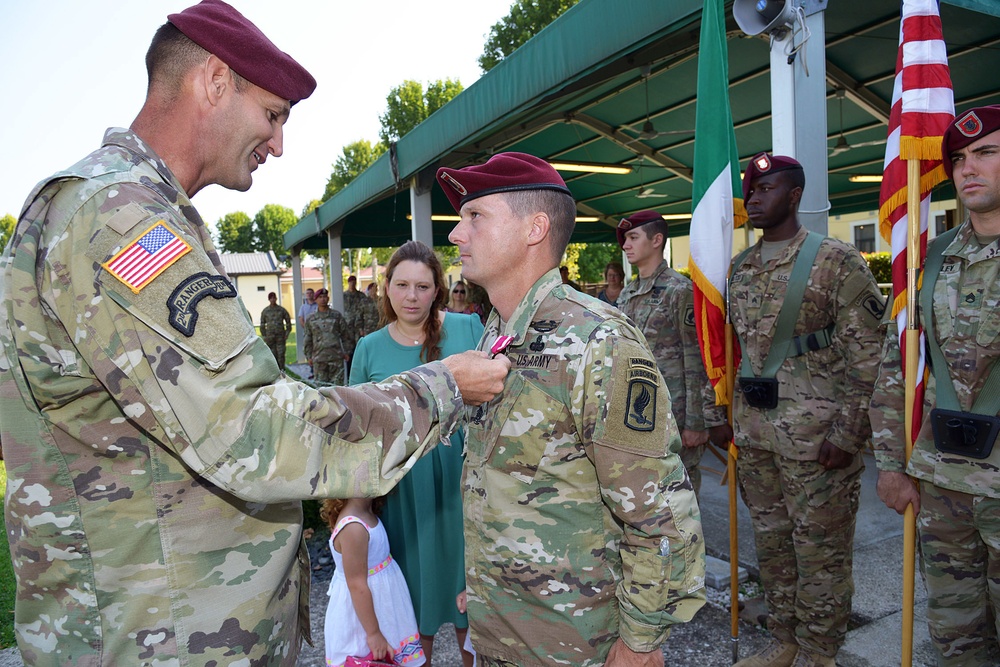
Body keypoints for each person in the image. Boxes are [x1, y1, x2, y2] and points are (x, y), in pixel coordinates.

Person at [0, 3, 510, 665]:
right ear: (214, 81)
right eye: (272, 115)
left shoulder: (138, 213)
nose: (278, 145)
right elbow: (257, 431)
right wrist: (443, 386)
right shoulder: (122, 218)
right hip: (152, 638)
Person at [438, 152, 705, 666]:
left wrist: (639, 644)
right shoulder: (499, 334)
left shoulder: (598, 340)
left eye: (475, 216)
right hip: (508, 632)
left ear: (535, 228)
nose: (456, 234)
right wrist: (490, 587)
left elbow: (659, 514)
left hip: (580, 647)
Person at [728, 153, 884, 667]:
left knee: (820, 555)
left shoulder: (836, 261)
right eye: (751, 190)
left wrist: (848, 434)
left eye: (766, 188)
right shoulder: (741, 268)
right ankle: (784, 640)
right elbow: (739, 351)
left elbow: (869, 357)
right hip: (755, 437)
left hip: (817, 442)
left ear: (794, 195)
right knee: (772, 548)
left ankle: (820, 654)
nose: (754, 198)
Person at [870, 105, 1000, 665]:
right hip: (942, 482)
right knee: (955, 632)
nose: (968, 168)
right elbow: (897, 365)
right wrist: (892, 464)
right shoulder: (931, 257)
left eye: (987, 153)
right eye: (959, 159)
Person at [351, 241, 481, 667]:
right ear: (386, 288)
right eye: (402, 284)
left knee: (474, 615)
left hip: (463, 490)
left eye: (422, 286)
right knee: (410, 612)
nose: (412, 296)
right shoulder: (368, 348)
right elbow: (357, 431)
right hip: (404, 496)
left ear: (437, 290)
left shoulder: (467, 329)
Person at [617, 211, 732, 495]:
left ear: (657, 240)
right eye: (625, 239)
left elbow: (697, 359)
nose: (625, 245)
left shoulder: (679, 291)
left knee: (679, 497)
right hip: (638, 414)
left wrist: (696, 422)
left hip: (675, 418)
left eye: (633, 237)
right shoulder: (627, 294)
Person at [321, 496, 426, 667]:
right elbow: (356, 585)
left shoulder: (366, 510)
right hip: (366, 616)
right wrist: (374, 633)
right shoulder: (353, 526)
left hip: (384, 606)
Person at [304, 288, 351, 384]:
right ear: (316, 299)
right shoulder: (311, 318)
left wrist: (347, 352)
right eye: (320, 297)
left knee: (337, 389)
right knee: (321, 389)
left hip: (336, 357)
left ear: (328, 298)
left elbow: (345, 335)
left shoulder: (336, 316)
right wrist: (308, 356)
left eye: (325, 297)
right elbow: (307, 338)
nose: (323, 299)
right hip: (319, 358)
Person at [343, 274, 380, 374]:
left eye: (375, 288)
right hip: (351, 327)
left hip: (377, 328)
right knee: (353, 350)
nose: (352, 284)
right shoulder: (345, 296)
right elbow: (359, 316)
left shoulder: (363, 297)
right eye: (351, 282)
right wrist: (360, 329)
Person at [260, 290, 292, 370]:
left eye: (274, 298)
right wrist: (264, 335)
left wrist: (287, 333)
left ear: (276, 299)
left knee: (281, 354)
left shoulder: (281, 310)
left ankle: (282, 370)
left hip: (280, 336)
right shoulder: (265, 311)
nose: (273, 300)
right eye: (271, 298)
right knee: (272, 354)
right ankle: (274, 370)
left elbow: (288, 321)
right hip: (270, 337)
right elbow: (262, 324)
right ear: (269, 299)